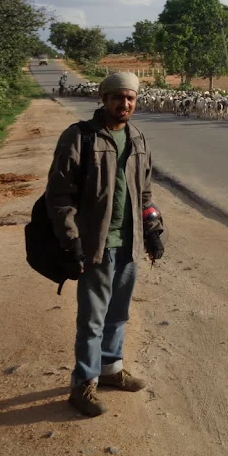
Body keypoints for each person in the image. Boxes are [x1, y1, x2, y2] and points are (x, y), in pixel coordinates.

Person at [45, 72, 165, 417]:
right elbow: (59, 195)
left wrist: (153, 230)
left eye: (130, 98)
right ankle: (83, 384)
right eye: (117, 97)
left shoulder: (137, 138)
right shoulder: (79, 137)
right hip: (97, 245)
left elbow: (144, 192)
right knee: (93, 319)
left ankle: (111, 370)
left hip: (129, 243)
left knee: (118, 313)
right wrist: (70, 240)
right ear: (104, 99)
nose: (124, 104)